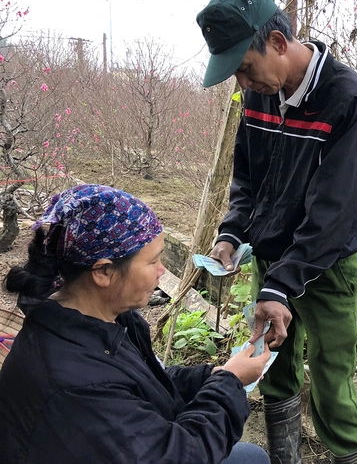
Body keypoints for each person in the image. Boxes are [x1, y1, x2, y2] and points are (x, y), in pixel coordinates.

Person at [196, 0, 357, 464]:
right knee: (272, 366)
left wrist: (282, 286)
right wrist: (232, 233)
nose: (243, 83)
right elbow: (247, 178)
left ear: (277, 43)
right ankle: (283, 458)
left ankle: (347, 454)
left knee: (333, 380)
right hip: (273, 261)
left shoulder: (348, 100)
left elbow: (333, 214)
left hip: (326, 266)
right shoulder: (258, 95)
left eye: (246, 68)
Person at [0, 184, 271, 464]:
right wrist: (230, 383)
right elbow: (177, 457)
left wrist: (212, 374)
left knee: (250, 456)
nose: (162, 270)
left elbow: (142, 380)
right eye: (152, 261)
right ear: (104, 272)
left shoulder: (100, 320)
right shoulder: (73, 381)